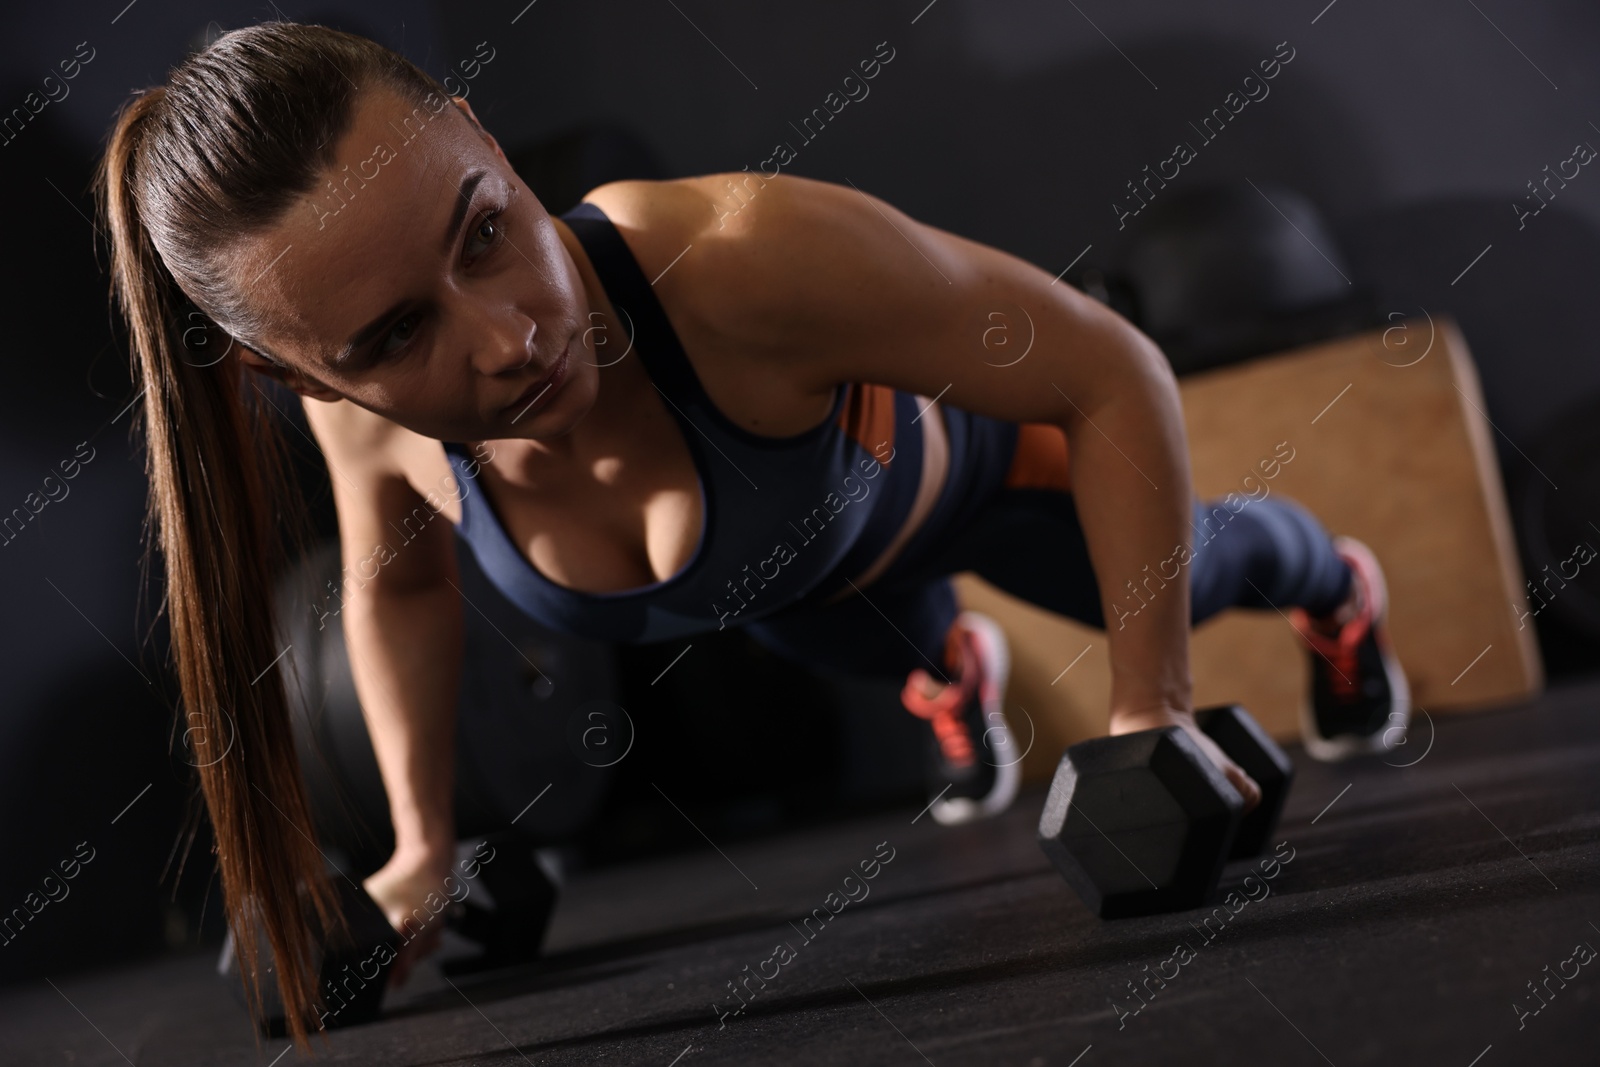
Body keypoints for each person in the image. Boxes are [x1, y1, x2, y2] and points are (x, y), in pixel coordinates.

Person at [97, 21, 1408, 1048]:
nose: (505, 337)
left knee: (1221, 566)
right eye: (394, 338)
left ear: (482, 134)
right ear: (310, 385)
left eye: (485, 231)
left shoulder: (737, 257)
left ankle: (1338, 593)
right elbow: (401, 590)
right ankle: (953, 678)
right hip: (794, 589)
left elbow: (1112, 371)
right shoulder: (372, 434)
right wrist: (420, 852)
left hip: (980, 492)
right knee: (868, 641)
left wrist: (1150, 710)